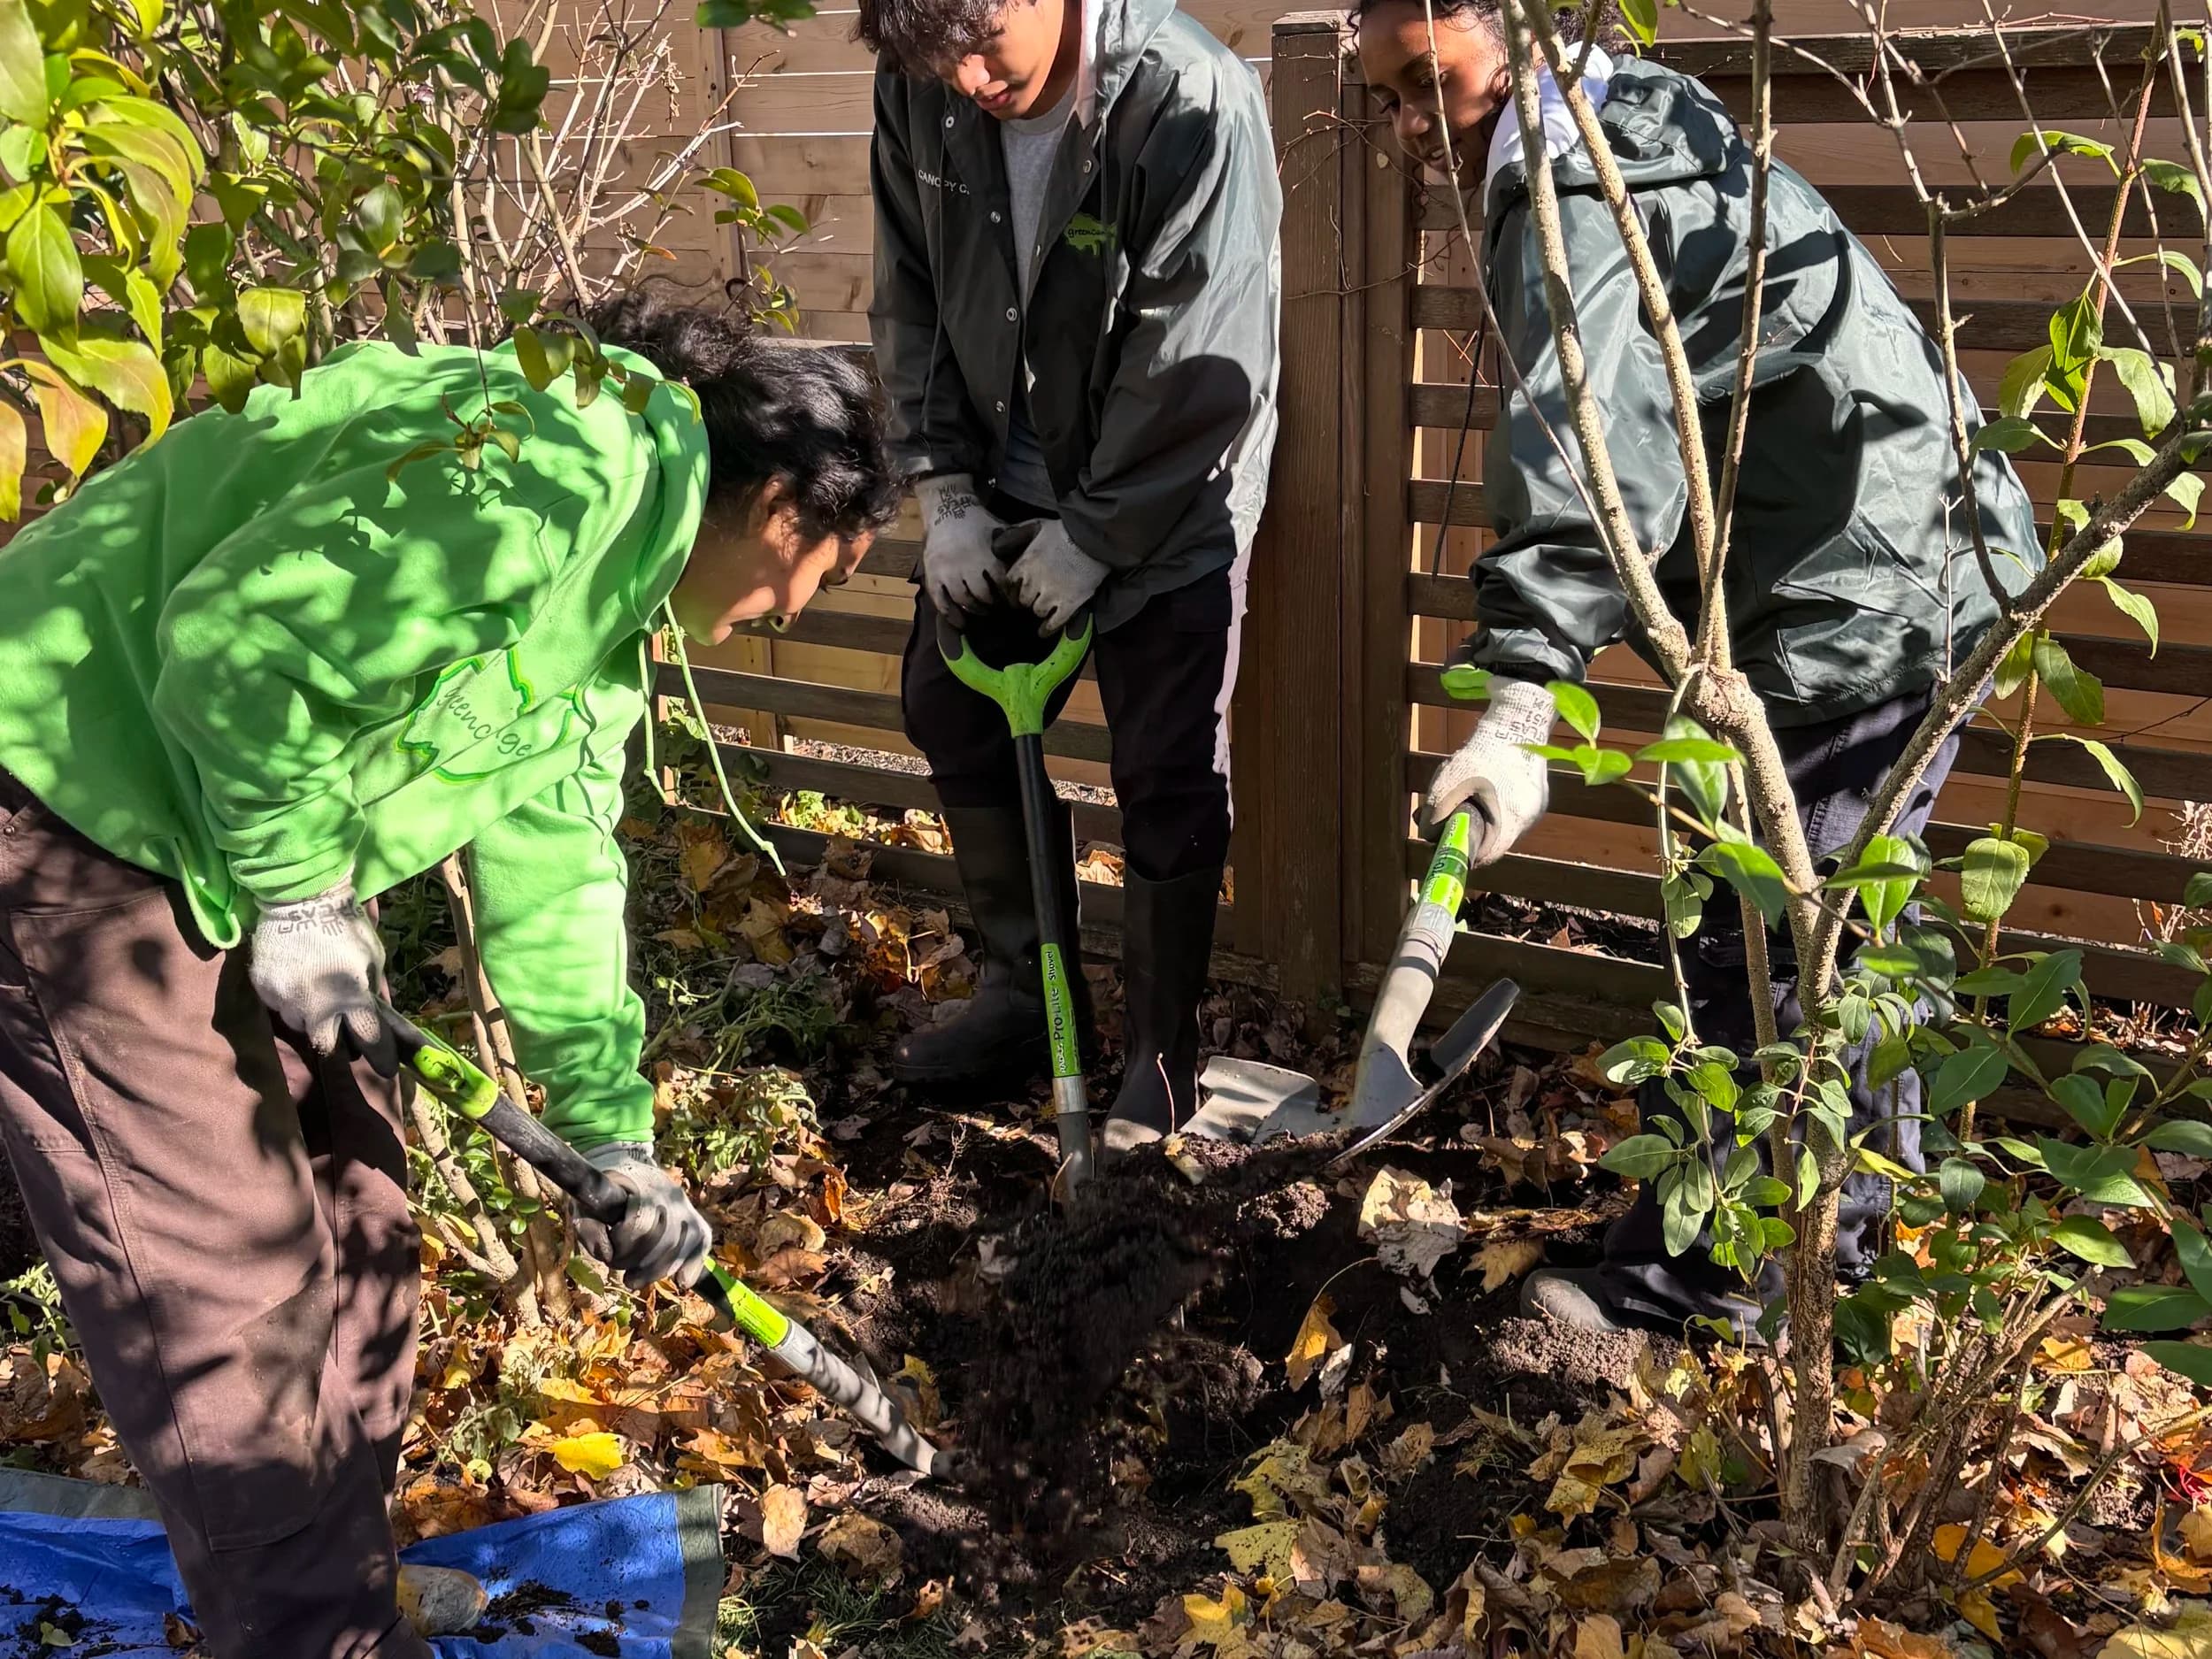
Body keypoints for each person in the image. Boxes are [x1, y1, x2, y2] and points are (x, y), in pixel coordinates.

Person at [0, 290, 896, 1658]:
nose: (782, 612)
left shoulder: (613, 599)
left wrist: (611, 1137)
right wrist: (303, 891)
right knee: (230, 1296)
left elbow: (559, 871)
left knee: (360, 1220)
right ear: (781, 501)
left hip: (228, 831)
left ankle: (335, 1588)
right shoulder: (550, 463)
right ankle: (313, 1634)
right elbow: (238, 652)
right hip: (74, 809)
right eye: (821, 573)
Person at [1353, 2, 2040, 1333]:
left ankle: (1719, 1285)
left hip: (1859, 591)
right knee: (1839, 933)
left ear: (1515, 29)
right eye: (1386, 98)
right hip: (1921, 556)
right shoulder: (1632, 120)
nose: (1409, 128)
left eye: (1427, 81)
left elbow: (1595, 450)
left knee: (1769, 939)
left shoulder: (1580, 188)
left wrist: (1522, 698)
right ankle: (1834, 1255)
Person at [863, 0, 1281, 1155]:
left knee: (1166, 765)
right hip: (1001, 477)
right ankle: (1019, 999)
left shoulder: (1189, 99)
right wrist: (947, 490)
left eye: (978, 46)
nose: (964, 82)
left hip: (1170, 488)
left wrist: (1094, 534)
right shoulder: (921, 80)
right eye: (934, 61)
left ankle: (1159, 1063)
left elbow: (1200, 348)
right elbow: (911, 288)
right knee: (951, 707)